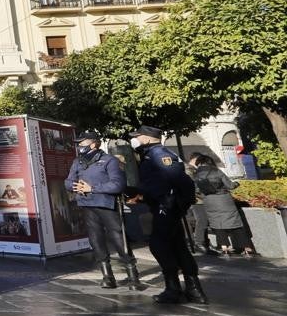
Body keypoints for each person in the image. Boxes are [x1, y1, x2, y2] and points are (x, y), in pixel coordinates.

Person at [126, 125, 206, 304]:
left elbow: (176, 179)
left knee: (158, 244)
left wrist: (178, 202)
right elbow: (156, 182)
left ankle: (175, 287)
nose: (135, 139)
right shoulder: (150, 155)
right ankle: (192, 290)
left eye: (137, 136)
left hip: (166, 205)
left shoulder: (159, 155)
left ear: (146, 138)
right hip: (164, 204)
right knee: (177, 245)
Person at [64, 131, 141, 289]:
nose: (79, 146)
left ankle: (133, 276)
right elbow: (68, 182)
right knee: (96, 240)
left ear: (93, 143)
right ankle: (107, 276)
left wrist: (92, 188)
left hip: (106, 204)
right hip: (87, 205)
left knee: (119, 239)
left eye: (82, 143)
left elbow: (117, 185)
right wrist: (75, 186)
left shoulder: (109, 160)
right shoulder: (78, 162)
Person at [189, 153, 255, 256]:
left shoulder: (196, 175)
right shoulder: (217, 171)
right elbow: (230, 185)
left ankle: (224, 248)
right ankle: (246, 248)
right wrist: (237, 184)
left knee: (217, 224)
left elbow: (196, 190)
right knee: (236, 224)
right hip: (224, 200)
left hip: (209, 201)